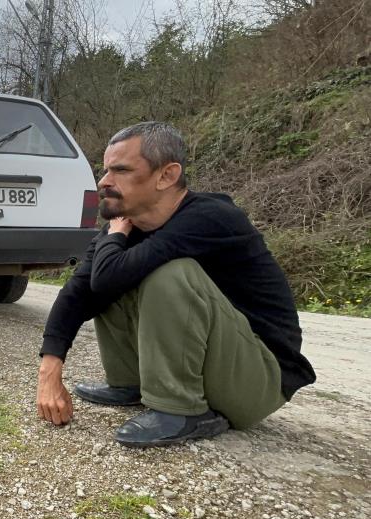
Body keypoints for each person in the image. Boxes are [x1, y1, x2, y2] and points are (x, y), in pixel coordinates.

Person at [36, 122, 315, 448]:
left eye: (121, 170)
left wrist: (113, 240)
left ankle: (181, 409)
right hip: (219, 367)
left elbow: (109, 276)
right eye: (105, 170)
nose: (104, 182)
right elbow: (80, 291)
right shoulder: (126, 226)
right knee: (113, 274)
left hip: (259, 378)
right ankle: (131, 383)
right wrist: (49, 371)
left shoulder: (210, 217)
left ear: (166, 176)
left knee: (168, 273)